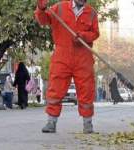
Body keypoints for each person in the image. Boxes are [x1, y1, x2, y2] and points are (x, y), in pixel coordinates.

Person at [35, 0, 100, 133]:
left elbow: (95, 33)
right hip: (62, 56)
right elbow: (44, 20)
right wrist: (40, 9)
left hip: (83, 57)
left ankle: (88, 124)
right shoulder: (59, 8)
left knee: (86, 90)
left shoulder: (92, 13)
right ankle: (51, 122)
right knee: (55, 88)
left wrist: (83, 36)